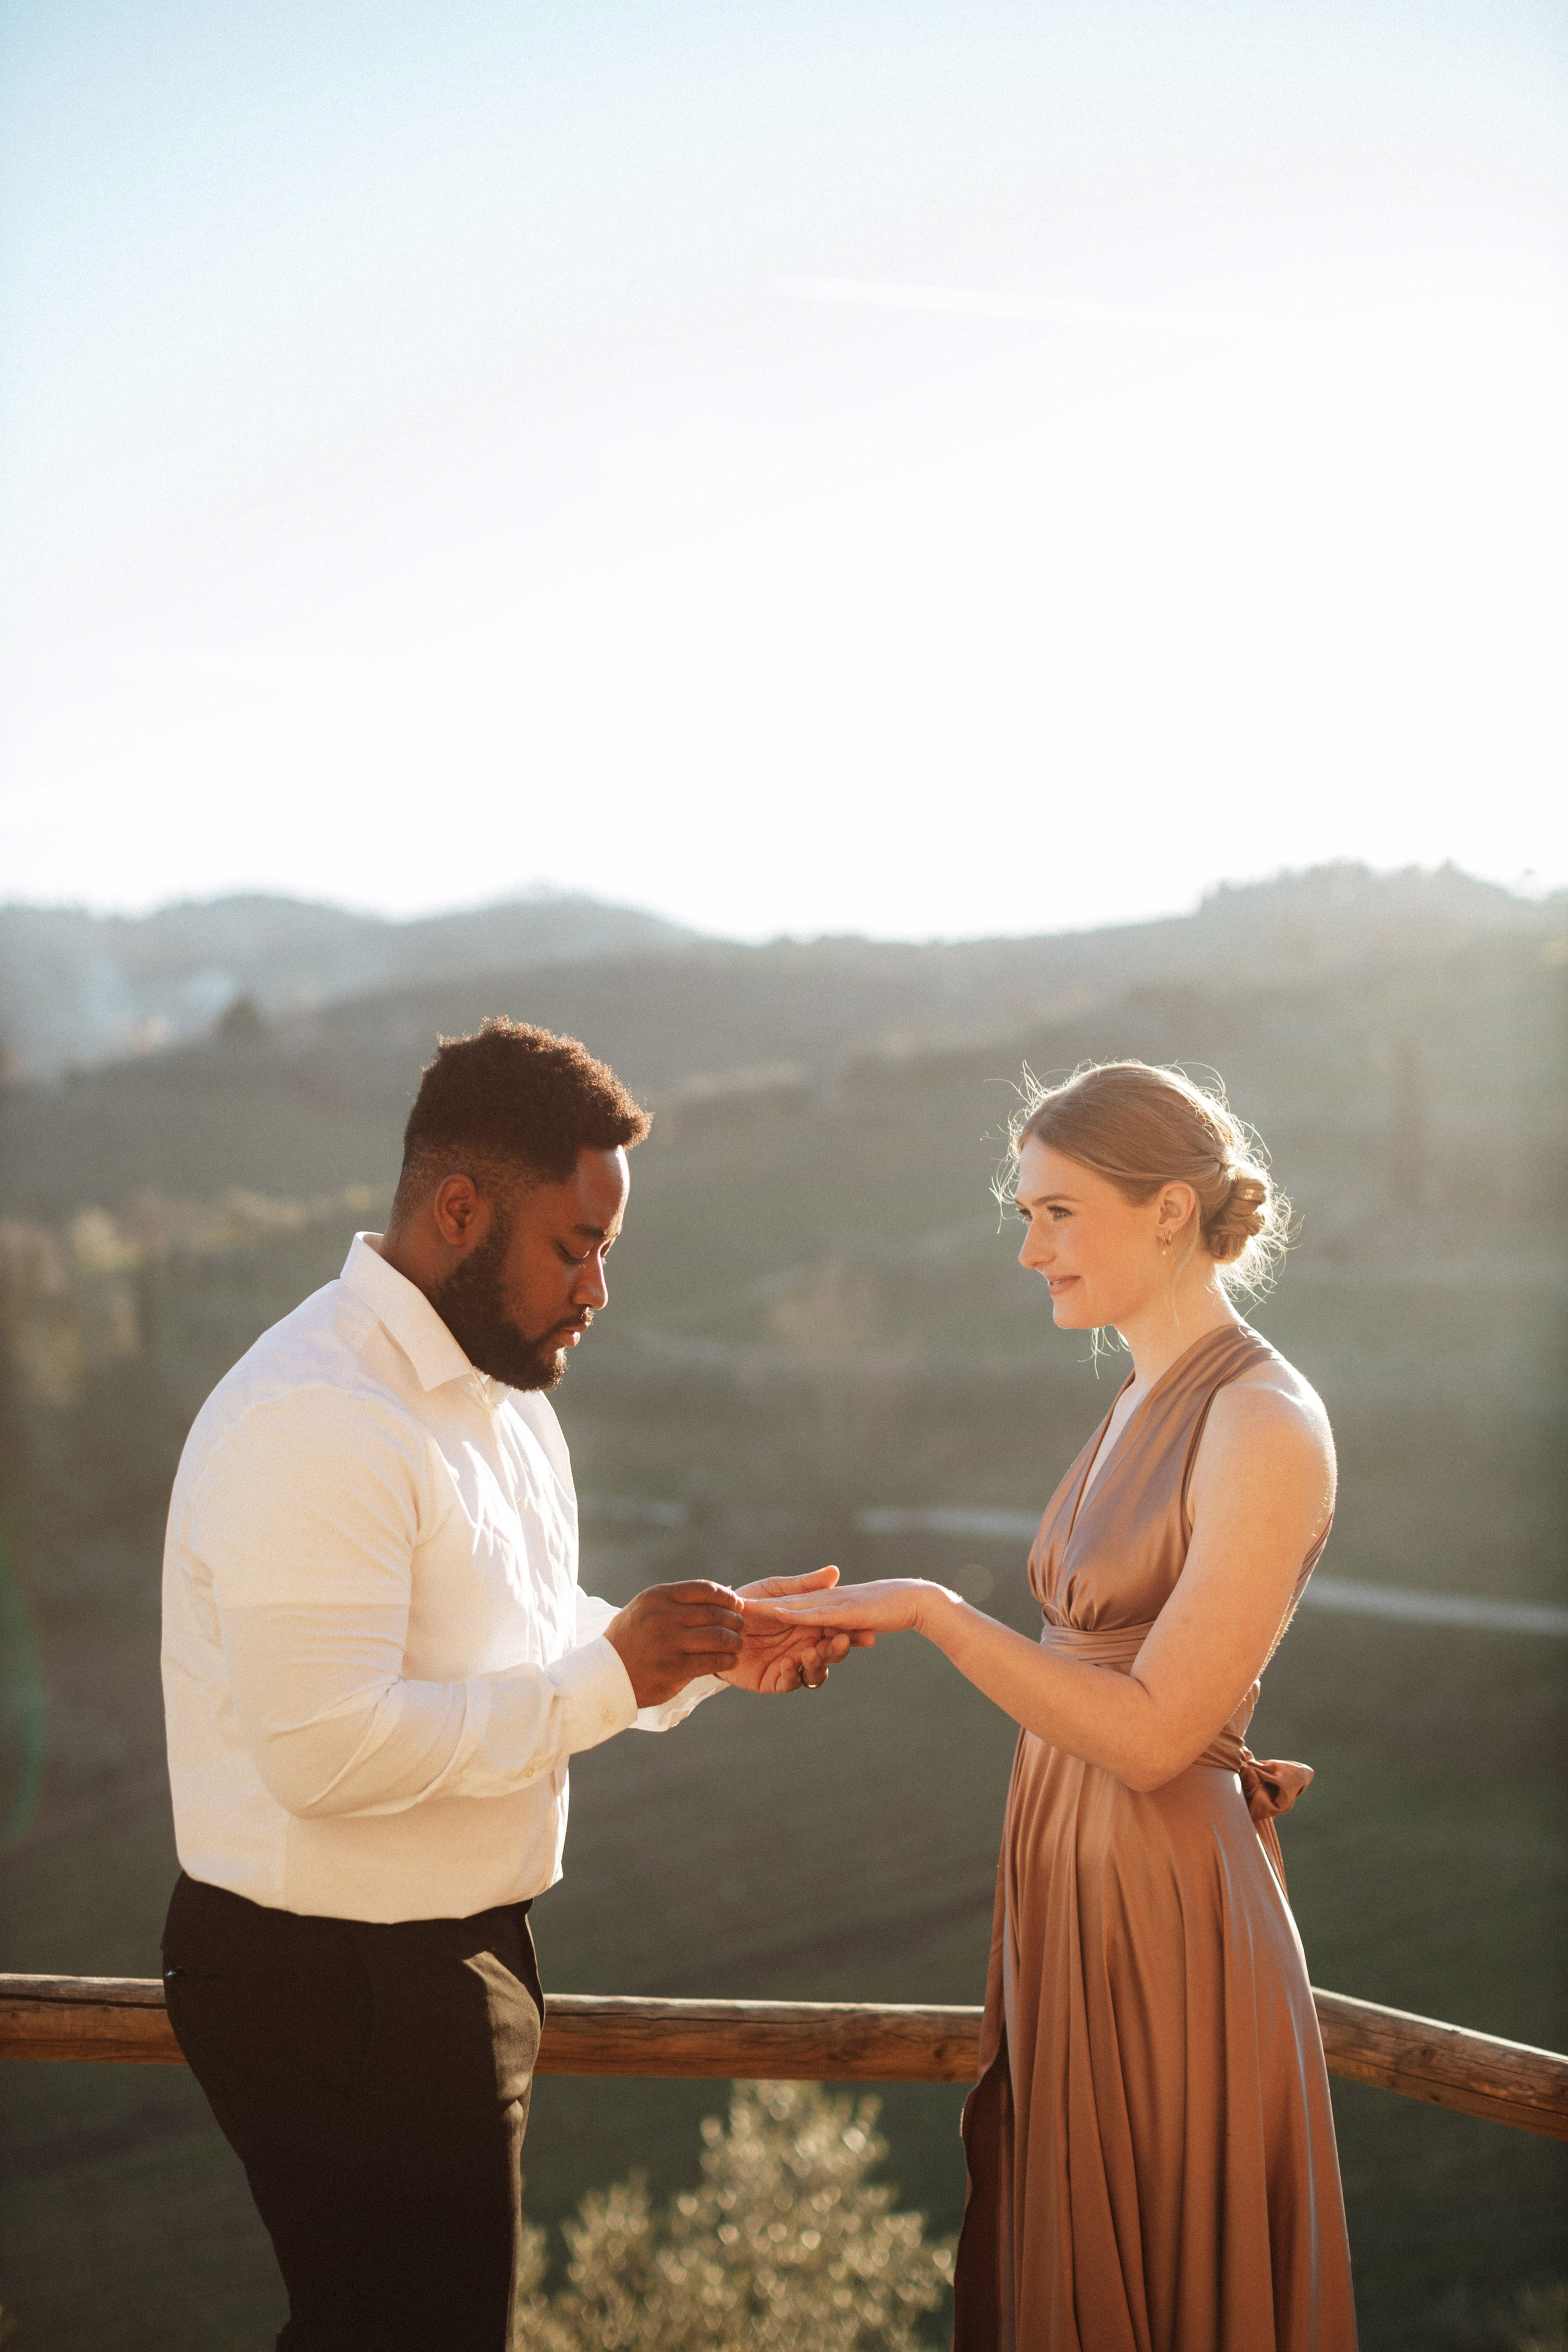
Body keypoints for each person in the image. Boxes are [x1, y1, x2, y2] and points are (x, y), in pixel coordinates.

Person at [159, 1017, 854, 2352]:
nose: (597, 1292)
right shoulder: (315, 1416)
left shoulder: (504, 1399)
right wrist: (606, 1675)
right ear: (460, 1209)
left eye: (607, 1251)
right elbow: (328, 1755)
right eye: (574, 1248)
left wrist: (700, 1657)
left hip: (445, 1960)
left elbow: (533, 1643)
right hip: (328, 1987)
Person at [761, 1060, 1359, 2351]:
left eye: (1057, 1212)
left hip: (1168, 1922)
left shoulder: (1261, 1418)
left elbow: (1148, 1735)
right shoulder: (1136, 1397)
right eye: (1023, 1215)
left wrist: (930, 1609)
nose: (1029, 1250)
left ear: (1166, 1210)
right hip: (1069, 1904)